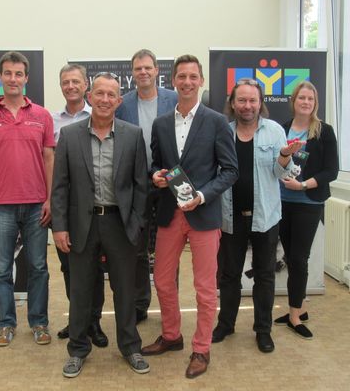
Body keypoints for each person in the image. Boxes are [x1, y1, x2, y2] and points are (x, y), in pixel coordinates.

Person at [141, 55, 238, 379]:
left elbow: (230, 170)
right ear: (172, 81)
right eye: (181, 76)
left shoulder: (217, 122)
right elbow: (157, 164)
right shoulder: (161, 124)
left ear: (201, 81)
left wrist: (203, 195)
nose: (186, 82)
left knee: (204, 287)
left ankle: (201, 348)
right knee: (162, 279)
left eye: (192, 76)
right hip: (170, 214)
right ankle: (172, 335)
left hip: (203, 214)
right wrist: (156, 175)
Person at [51, 72, 149, 378]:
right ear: (89, 97)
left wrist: (136, 224)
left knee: (125, 289)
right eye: (100, 94)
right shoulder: (70, 136)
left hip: (120, 224)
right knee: (80, 290)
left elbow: (141, 186)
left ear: (119, 101)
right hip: (82, 223)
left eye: (111, 95)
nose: (105, 100)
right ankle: (77, 349)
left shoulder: (133, 135)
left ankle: (130, 347)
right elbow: (60, 186)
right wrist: (59, 227)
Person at [212, 78, 303, 353]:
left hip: (265, 216)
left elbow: (280, 173)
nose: (247, 105)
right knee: (229, 275)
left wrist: (285, 156)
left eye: (253, 100)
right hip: (230, 217)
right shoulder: (223, 132)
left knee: (264, 275)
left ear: (260, 103)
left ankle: (263, 330)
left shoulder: (274, 131)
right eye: (241, 100)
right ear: (232, 103)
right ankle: (226, 324)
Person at [0, 51, 54, 347]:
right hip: (0, 206)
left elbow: (49, 158)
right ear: (0, 77)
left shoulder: (42, 115)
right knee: (2, 270)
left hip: (36, 205)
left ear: (26, 78)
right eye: (8, 73)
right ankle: (6, 324)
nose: (13, 79)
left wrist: (50, 199)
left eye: (18, 74)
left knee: (38, 268)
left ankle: (39, 323)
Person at [115, 49, 177, 323]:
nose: (143, 72)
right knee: (137, 249)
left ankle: (169, 307)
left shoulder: (174, 99)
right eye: (138, 68)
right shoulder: (123, 104)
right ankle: (140, 304)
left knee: (169, 249)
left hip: (168, 183)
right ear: (132, 73)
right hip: (136, 185)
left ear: (156, 71)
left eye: (147, 68)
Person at [275, 81, 339, 339]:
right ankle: (299, 308)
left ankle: (294, 317)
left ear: (315, 103)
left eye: (310, 99)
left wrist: (302, 185)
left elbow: (331, 171)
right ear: (294, 101)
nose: (305, 102)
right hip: (282, 202)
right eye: (301, 98)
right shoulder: (282, 129)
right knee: (291, 258)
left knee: (299, 259)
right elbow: (276, 163)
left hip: (308, 202)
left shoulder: (324, 131)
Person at [52, 64, 108, 347]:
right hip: (67, 209)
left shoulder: (100, 115)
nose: (70, 86)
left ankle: (94, 322)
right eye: (66, 82)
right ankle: (78, 319)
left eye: (76, 81)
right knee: (69, 269)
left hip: (95, 210)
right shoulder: (51, 121)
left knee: (94, 270)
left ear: (86, 86)